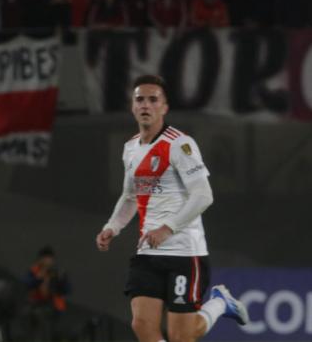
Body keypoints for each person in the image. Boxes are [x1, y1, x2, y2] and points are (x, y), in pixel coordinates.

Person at [95, 75, 249, 342]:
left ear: (164, 107)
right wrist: (113, 226)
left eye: (153, 100)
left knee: (181, 337)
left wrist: (167, 229)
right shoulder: (130, 148)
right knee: (142, 325)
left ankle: (220, 303)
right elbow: (130, 196)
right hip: (147, 251)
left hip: (184, 252)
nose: (146, 105)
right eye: (139, 99)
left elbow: (203, 195)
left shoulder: (180, 144)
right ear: (132, 106)